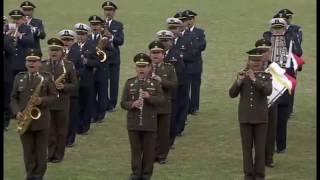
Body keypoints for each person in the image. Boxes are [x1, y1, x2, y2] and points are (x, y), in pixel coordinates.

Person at [10, 48, 58, 180]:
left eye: (34, 61)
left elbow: (54, 97)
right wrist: (17, 112)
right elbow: (13, 98)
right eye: (29, 61)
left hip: (41, 122)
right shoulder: (19, 77)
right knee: (28, 153)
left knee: (41, 153)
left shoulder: (47, 78)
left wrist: (41, 100)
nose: (31, 64)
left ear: (39, 63)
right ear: (25, 63)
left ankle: (38, 176)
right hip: (24, 121)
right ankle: (30, 175)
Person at [229, 48, 272, 180]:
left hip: (260, 118)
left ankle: (259, 175)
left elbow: (267, 91)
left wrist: (254, 79)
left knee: (260, 150)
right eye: (253, 60)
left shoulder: (266, 76)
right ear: (248, 61)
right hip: (245, 118)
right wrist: (239, 81)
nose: (255, 63)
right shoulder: (242, 74)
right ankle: (248, 174)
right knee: (246, 149)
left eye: (258, 60)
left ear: (262, 62)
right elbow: (232, 94)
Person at [121, 53, 164, 180]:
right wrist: (132, 104)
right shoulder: (130, 83)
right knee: (135, 150)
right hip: (134, 123)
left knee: (149, 152)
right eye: (139, 66)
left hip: (149, 123)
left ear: (149, 67)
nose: (141, 69)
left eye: (144, 66)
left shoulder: (155, 83)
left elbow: (161, 100)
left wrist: (149, 97)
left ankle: (146, 174)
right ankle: (135, 174)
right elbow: (123, 103)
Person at [264, 17, 302, 153]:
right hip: (271, 80)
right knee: (269, 115)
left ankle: (281, 145)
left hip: (285, 79)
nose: (278, 30)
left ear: (285, 28)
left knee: (282, 116)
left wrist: (290, 38)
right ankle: (269, 144)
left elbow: (299, 53)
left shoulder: (290, 38)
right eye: (275, 28)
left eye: (280, 28)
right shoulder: (267, 39)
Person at [40, 38, 77, 163]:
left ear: (62, 51)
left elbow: (75, 85)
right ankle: (50, 154)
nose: (53, 52)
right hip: (48, 104)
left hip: (62, 103)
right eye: (51, 50)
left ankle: (58, 155)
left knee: (61, 131)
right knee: (49, 131)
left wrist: (64, 87)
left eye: (56, 50)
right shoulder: (43, 65)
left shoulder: (68, 65)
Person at [156, 29, 187, 148]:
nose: (163, 43)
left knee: (171, 118)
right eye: (161, 40)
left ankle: (169, 141)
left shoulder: (176, 54)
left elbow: (180, 74)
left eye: (166, 41)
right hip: (157, 92)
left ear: (171, 41)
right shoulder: (154, 54)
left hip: (171, 92)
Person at [149, 40, 177, 164]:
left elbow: (174, 84)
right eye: (153, 52)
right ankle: (151, 154)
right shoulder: (145, 68)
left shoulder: (169, 68)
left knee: (163, 133)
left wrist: (161, 81)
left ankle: (162, 156)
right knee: (150, 132)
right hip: (150, 105)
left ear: (163, 54)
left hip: (164, 105)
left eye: (158, 53)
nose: (155, 55)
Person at [68, 23, 99, 135]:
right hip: (75, 81)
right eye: (79, 34)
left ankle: (84, 127)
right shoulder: (73, 47)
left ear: (87, 35)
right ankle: (76, 126)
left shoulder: (91, 47)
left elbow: (97, 62)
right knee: (76, 105)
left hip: (87, 80)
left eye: (83, 34)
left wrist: (87, 61)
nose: (80, 36)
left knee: (86, 104)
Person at [255, 38, 277, 168]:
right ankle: (258, 158)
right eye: (261, 51)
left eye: (266, 51)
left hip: (272, 101)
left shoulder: (274, 66)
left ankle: (269, 158)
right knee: (257, 131)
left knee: (271, 130)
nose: (264, 54)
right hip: (257, 102)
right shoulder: (252, 65)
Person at [101, 1, 124, 111]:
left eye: (110, 10)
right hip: (102, 57)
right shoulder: (99, 24)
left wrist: (111, 37)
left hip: (114, 57)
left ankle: (112, 104)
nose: (108, 12)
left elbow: (120, 41)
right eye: (106, 10)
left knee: (114, 82)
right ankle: (104, 102)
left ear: (114, 12)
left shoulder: (118, 25)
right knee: (103, 81)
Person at [182, 10, 207, 115]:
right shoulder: (181, 32)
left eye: (190, 19)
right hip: (184, 65)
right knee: (184, 87)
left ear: (193, 20)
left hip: (196, 64)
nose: (188, 21)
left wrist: (192, 48)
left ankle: (194, 108)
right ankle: (185, 107)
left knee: (195, 88)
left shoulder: (200, 32)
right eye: (186, 19)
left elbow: (202, 46)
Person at [58, 29, 79, 147]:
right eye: (64, 40)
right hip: (58, 91)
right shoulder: (57, 53)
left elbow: (82, 69)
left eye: (69, 40)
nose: (66, 42)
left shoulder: (77, 53)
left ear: (73, 41)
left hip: (72, 90)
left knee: (71, 116)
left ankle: (70, 139)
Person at [88, 15, 110, 123]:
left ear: (101, 26)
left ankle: (101, 115)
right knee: (91, 94)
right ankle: (92, 114)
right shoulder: (87, 38)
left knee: (102, 95)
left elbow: (113, 53)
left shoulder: (105, 38)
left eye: (97, 25)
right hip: (91, 71)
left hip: (102, 70)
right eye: (92, 25)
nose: (94, 27)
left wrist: (105, 50)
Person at [7, 9, 34, 76]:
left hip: (22, 63)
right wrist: (7, 35)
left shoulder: (27, 28)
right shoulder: (7, 28)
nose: (15, 21)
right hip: (9, 63)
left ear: (22, 19)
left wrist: (20, 35)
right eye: (14, 18)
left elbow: (30, 41)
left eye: (18, 19)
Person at [3, 16, 15, 131]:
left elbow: (10, 50)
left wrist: (5, 36)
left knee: (6, 100)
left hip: (6, 74)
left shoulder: (7, 38)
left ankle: (5, 123)